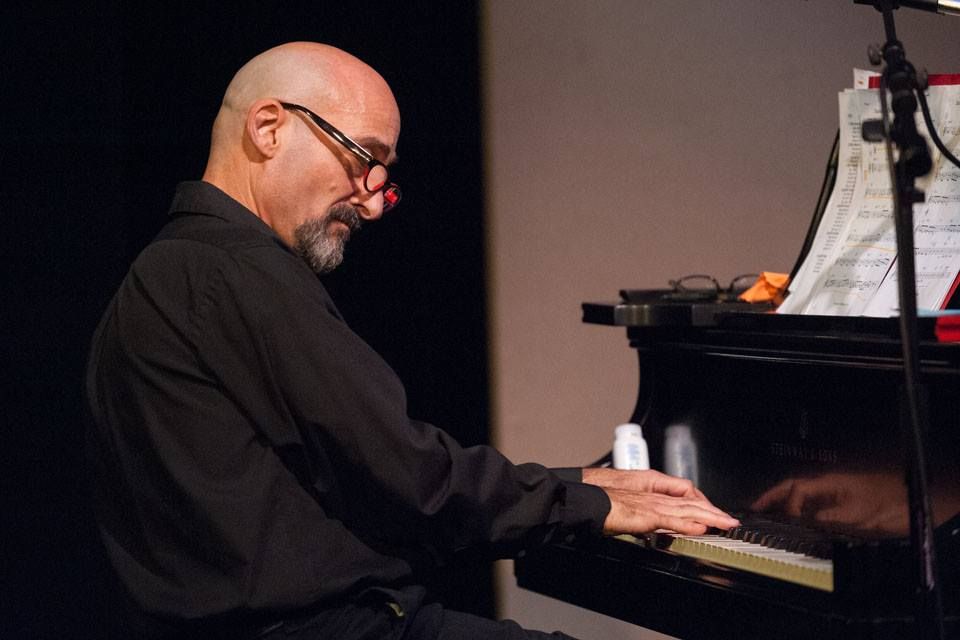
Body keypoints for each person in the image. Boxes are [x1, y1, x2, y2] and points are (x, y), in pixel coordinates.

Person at [85, 42, 739, 640]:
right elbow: (406, 479)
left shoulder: (171, 269)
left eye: (383, 177)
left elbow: (365, 477)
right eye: (364, 159)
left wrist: (575, 485)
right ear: (269, 128)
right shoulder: (232, 272)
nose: (372, 204)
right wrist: (587, 503)